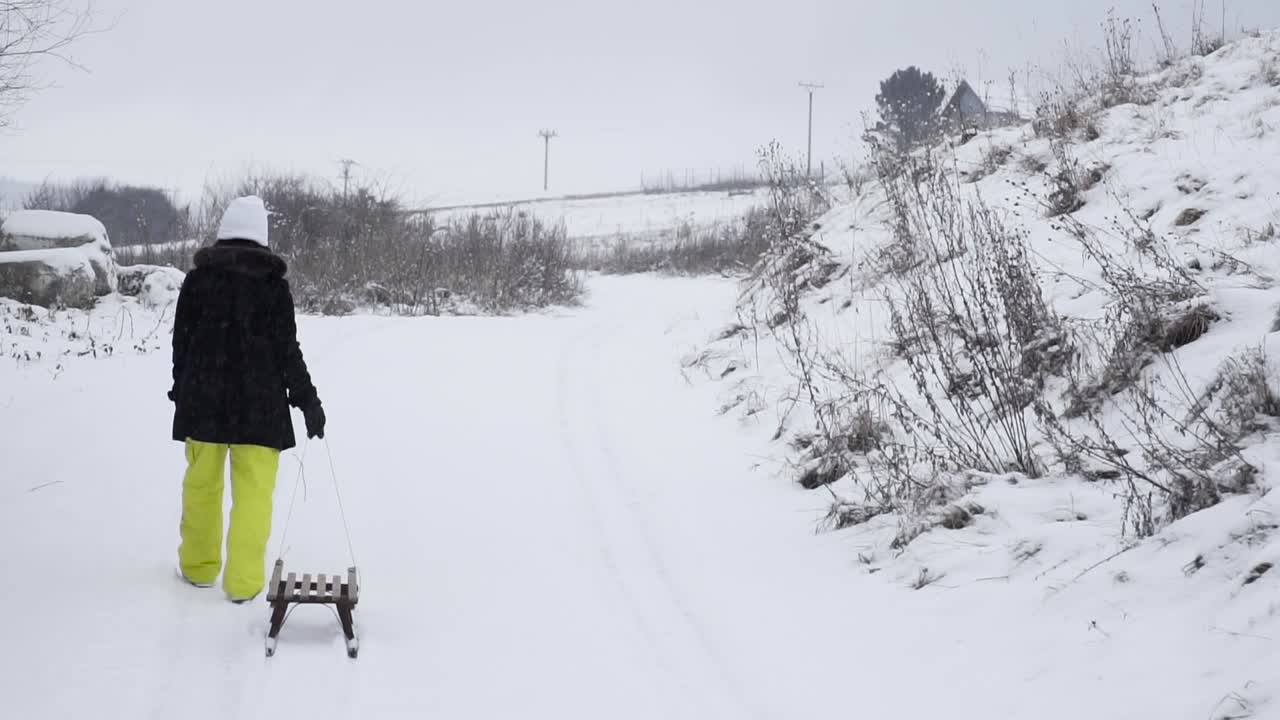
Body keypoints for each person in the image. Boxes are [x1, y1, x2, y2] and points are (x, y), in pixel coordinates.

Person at [170, 195, 326, 603]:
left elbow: (181, 342)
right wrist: (308, 400)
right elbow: (288, 352)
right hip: (260, 408)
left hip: (204, 402)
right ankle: (243, 583)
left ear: (224, 232)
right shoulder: (273, 289)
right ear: (262, 236)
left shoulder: (198, 282)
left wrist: (181, 388)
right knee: (253, 498)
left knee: (201, 488)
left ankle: (198, 568)